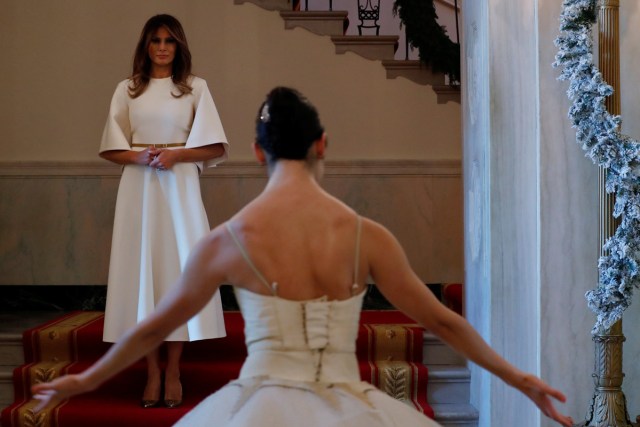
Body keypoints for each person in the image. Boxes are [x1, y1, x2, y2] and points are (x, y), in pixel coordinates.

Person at [33, 87, 573, 426]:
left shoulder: (226, 240)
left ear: (256, 151)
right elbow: (440, 320)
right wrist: (521, 379)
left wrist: (86, 380)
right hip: (350, 407)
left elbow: (152, 328)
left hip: (257, 408)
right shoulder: (368, 236)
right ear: (323, 145)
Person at [98, 14, 228, 408]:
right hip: (140, 188)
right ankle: (152, 372)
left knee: (178, 273)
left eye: (169, 40)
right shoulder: (128, 89)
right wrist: (142, 158)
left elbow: (216, 147)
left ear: (179, 46)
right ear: (145, 45)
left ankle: (173, 369)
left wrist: (176, 155)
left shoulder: (194, 88)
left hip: (179, 187)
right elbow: (110, 146)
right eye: (155, 40)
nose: (162, 47)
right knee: (144, 275)